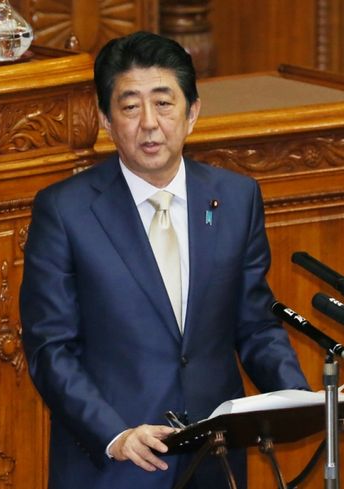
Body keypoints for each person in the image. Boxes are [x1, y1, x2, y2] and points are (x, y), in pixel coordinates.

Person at [20, 31, 309, 489]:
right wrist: (113, 433)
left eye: (164, 103)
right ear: (105, 119)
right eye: (130, 107)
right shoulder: (64, 210)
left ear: (193, 112)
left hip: (215, 460)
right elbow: (50, 348)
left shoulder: (236, 198)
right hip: (115, 464)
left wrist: (298, 400)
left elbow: (254, 324)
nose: (149, 124)